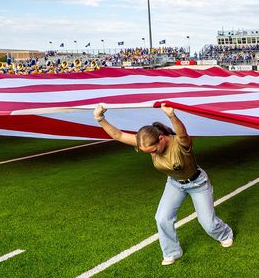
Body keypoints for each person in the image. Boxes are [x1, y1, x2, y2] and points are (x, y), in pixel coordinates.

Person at [93, 103, 233, 266]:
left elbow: (182, 133)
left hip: (197, 183)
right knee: (162, 218)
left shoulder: (180, 144)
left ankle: (225, 234)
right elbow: (118, 135)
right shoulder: (146, 142)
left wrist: (171, 116)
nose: (152, 154)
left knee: (207, 223)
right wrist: (99, 118)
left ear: (160, 139)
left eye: (153, 150)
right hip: (174, 184)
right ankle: (172, 252)